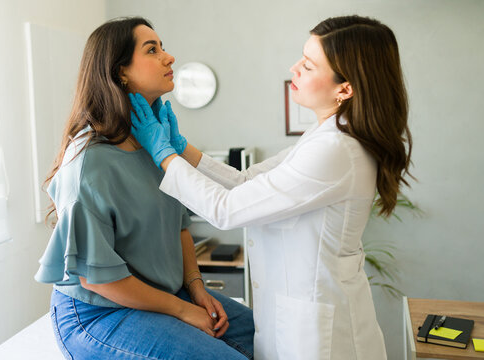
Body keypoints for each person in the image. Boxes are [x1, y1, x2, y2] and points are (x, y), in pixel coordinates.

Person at [130, 15, 413, 360]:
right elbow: (248, 182)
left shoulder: (336, 149)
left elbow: (227, 209)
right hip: (297, 320)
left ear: (345, 88)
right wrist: (180, 147)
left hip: (321, 338)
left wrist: (163, 154)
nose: (294, 68)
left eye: (308, 66)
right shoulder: (326, 135)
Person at [35, 17, 254, 360]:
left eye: (162, 48)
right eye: (152, 50)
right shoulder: (90, 162)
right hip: (101, 311)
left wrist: (196, 286)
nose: (169, 57)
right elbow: (97, 279)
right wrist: (182, 310)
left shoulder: (154, 146)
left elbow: (179, 223)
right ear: (119, 72)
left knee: (266, 337)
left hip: (164, 293)